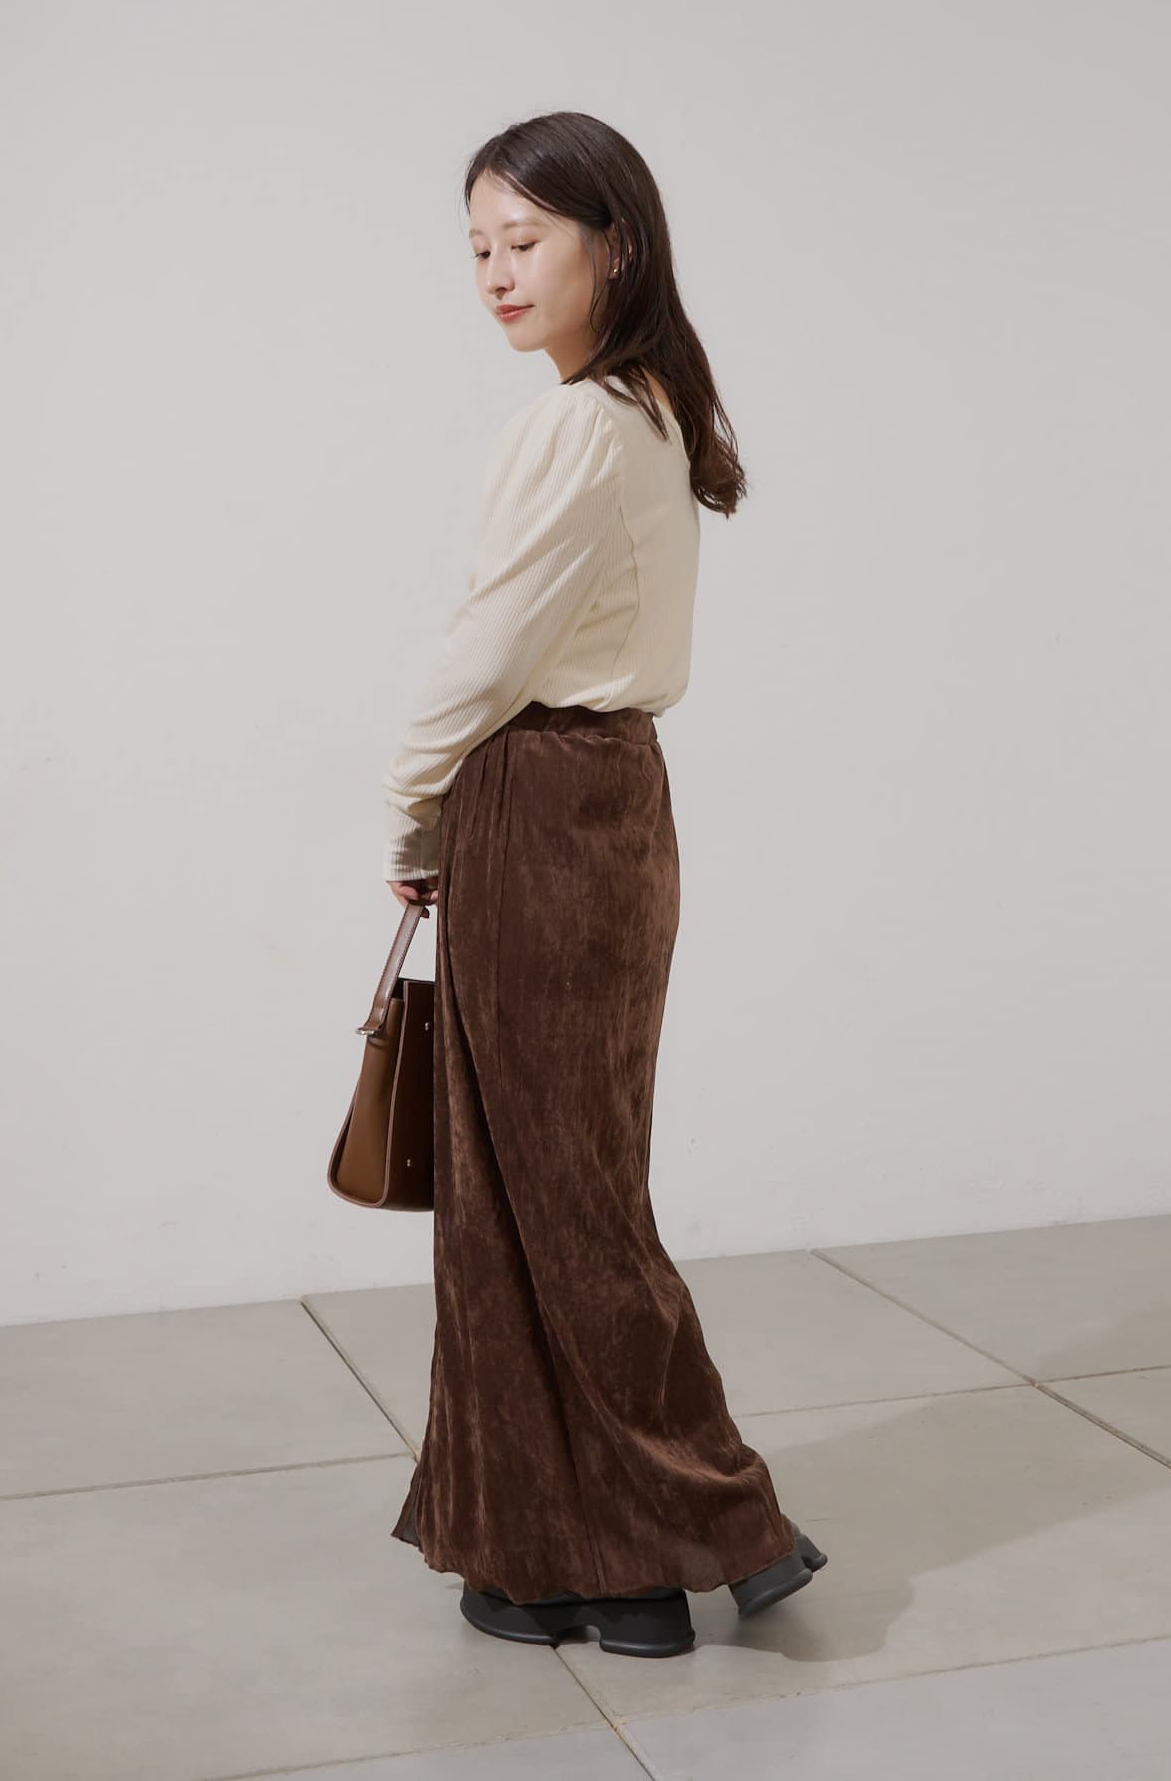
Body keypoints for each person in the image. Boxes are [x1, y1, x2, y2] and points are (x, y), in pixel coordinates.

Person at [380, 111, 827, 1660]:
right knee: (546, 1191)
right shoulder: (647, 411)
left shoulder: (575, 425)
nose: (497, 273)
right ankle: (584, 1561)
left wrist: (410, 812)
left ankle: (714, 1518)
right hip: (614, 801)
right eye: (478, 248)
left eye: (525, 240)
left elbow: (482, 656)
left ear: (614, 245)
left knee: (546, 1202)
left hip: (537, 803)